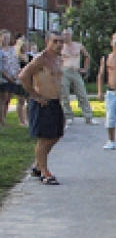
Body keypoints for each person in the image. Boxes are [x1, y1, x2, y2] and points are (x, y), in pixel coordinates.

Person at [18, 32, 66, 184]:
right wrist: (35, 95)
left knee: (56, 135)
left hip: (55, 102)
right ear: (47, 42)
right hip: (43, 103)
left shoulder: (57, 59)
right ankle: (44, 173)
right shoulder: (41, 59)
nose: (59, 45)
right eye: (55, 41)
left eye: (61, 42)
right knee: (44, 139)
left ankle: (38, 165)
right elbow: (23, 76)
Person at [60, 29, 95, 126]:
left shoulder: (78, 45)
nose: (66, 36)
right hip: (65, 71)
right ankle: (68, 116)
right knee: (64, 95)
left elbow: (87, 56)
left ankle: (88, 116)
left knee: (82, 93)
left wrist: (85, 69)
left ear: (71, 35)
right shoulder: (61, 46)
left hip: (76, 71)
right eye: (64, 35)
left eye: (67, 34)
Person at [0, 29, 20, 128]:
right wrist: (7, 77)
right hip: (4, 78)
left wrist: (16, 74)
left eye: (8, 38)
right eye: (4, 38)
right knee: (3, 99)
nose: (6, 40)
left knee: (8, 100)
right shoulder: (0, 51)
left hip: (13, 77)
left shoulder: (12, 50)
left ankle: (4, 119)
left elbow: (15, 62)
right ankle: (1, 121)